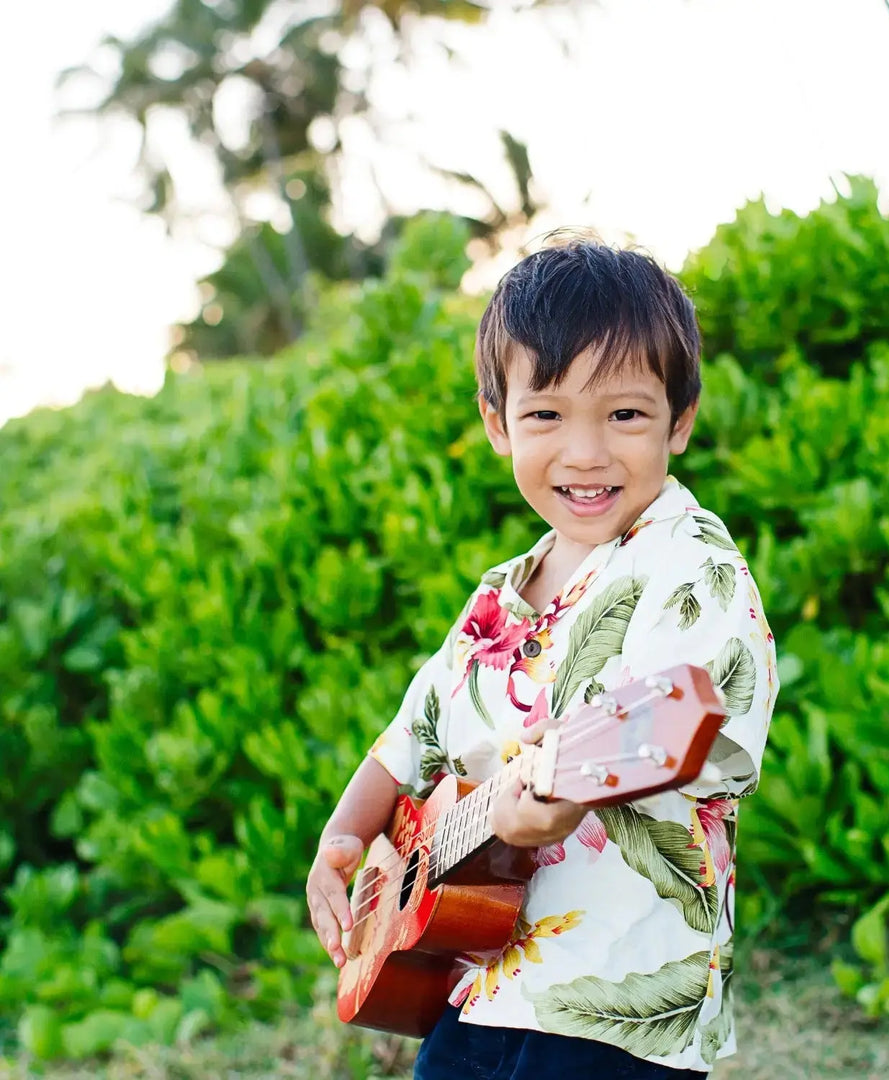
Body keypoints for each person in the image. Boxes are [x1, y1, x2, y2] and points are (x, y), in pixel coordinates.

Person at [306, 236, 778, 1078]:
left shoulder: (689, 560)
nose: (587, 452)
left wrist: (548, 800)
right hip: (482, 980)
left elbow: (686, 719)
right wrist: (346, 835)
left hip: (622, 994)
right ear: (498, 423)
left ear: (682, 416)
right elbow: (412, 729)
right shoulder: (499, 592)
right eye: (547, 414)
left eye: (625, 414)